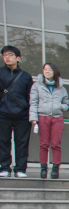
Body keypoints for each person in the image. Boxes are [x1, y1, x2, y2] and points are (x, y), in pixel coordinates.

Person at [29, 63, 69, 179]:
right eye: (45, 69)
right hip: (42, 117)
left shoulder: (61, 88)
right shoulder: (37, 86)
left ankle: (55, 168)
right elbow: (33, 103)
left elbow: (66, 103)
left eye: (49, 69)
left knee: (56, 144)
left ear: (55, 72)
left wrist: (60, 107)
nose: (47, 71)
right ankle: (43, 168)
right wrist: (33, 118)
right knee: (44, 144)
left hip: (57, 118)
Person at [0, 45, 33, 178]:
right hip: (3, 114)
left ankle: (20, 169)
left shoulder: (25, 76)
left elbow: (30, 96)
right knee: (3, 142)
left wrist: (30, 113)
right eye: (5, 55)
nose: (7, 57)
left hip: (22, 115)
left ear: (18, 58)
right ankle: (4, 168)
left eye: (10, 55)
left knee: (22, 142)